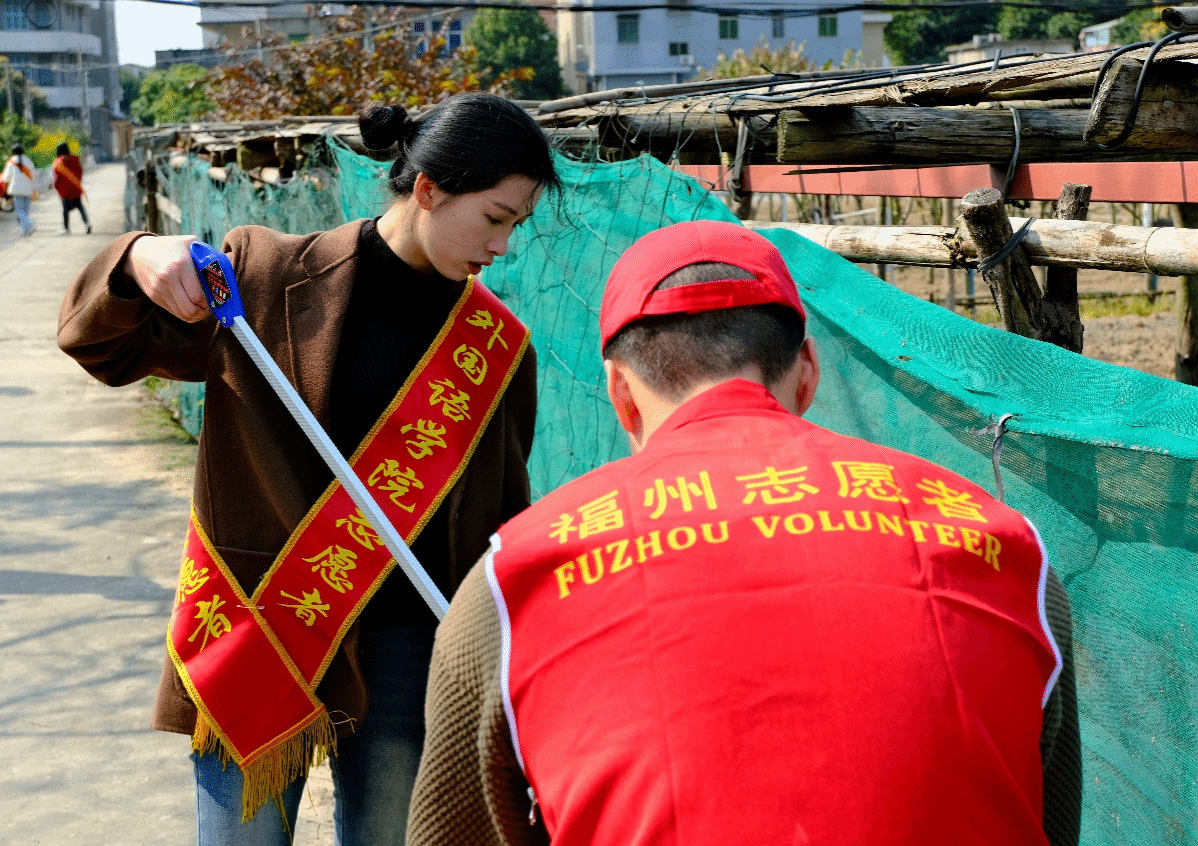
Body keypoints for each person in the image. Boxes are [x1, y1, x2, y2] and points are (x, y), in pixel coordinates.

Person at [405, 219, 1082, 846]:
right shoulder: (1002, 545)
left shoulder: (517, 578)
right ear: (807, 372)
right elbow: (1050, 816)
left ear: (619, 393)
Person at [58, 93, 560, 845]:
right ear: (428, 190)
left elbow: (502, 516)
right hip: (260, 621)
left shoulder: (495, 347)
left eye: (517, 224)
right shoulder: (263, 278)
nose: (504, 245)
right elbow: (102, 346)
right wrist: (135, 258)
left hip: (407, 647)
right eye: (496, 218)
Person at [52, 141, 91, 234]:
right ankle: (87, 224)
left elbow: (57, 178)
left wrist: (57, 187)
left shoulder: (58, 162)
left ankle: (66, 229)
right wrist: (77, 183)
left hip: (65, 191)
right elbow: (80, 172)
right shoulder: (75, 159)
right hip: (75, 189)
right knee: (80, 207)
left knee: (65, 211)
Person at [2, 143, 37, 236]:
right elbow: (34, 174)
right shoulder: (27, 160)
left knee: (19, 210)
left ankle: (30, 225)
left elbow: (6, 177)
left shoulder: (11, 161)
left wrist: (5, 189)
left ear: (13, 152)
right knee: (25, 211)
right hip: (29, 188)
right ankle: (24, 230)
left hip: (17, 189)